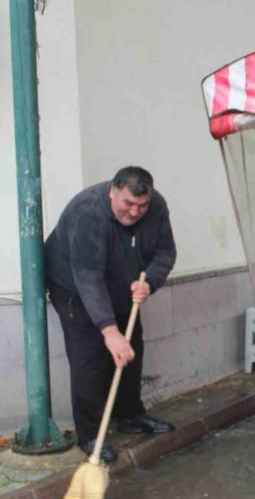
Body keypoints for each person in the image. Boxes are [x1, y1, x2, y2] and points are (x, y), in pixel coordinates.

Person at [45, 166, 177, 462]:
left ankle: (129, 415)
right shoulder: (88, 212)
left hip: (121, 284)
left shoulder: (156, 207)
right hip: (73, 288)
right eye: (128, 204)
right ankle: (91, 434)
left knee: (131, 349)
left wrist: (150, 282)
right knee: (89, 356)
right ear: (113, 192)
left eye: (142, 205)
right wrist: (108, 330)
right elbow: (89, 276)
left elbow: (165, 253)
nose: (134, 212)